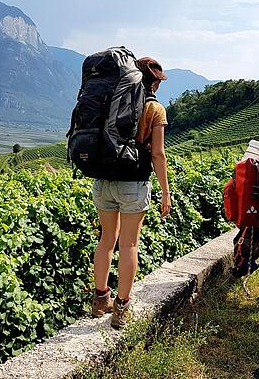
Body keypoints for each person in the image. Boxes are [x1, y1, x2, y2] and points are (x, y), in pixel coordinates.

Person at [91, 56, 172, 329]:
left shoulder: (111, 99)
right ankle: (121, 308)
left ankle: (100, 298)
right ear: (154, 82)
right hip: (133, 183)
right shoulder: (155, 109)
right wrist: (165, 192)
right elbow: (158, 154)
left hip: (103, 180)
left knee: (106, 240)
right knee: (128, 245)